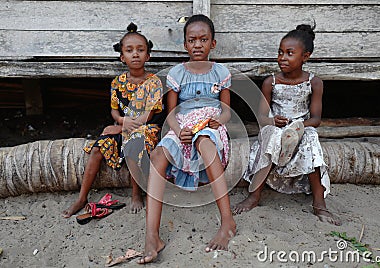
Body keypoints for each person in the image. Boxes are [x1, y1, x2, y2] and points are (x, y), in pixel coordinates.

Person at [137, 14, 236, 264]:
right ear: (185, 45)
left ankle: (227, 221)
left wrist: (219, 122)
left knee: (204, 142)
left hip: (210, 124)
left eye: (204, 39)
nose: (198, 45)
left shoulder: (221, 72)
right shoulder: (177, 73)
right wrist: (177, 129)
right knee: (158, 155)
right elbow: (171, 112)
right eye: (192, 40)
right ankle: (152, 236)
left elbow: (226, 110)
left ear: (213, 43)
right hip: (183, 125)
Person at [232, 24, 341, 226]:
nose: (282, 58)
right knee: (273, 134)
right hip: (275, 129)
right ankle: (254, 196)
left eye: (290, 53)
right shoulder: (270, 82)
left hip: (300, 128)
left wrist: (298, 126)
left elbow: (316, 119)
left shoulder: (314, 83)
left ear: (305, 57)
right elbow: (262, 117)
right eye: (280, 52)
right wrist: (273, 121)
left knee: (310, 137)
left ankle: (320, 204)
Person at [62, 22, 163, 218]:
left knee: (134, 143)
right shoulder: (117, 83)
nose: (135, 54)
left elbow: (147, 115)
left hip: (146, 129)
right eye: (130, 50)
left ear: (148, 56)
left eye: (140, 50)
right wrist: (121, 123)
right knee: (98, 149)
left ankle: (136, 193)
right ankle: (82, 197)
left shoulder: (154, 82)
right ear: (122, 57)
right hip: (124, 125)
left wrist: (120, 128)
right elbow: (114, 111)